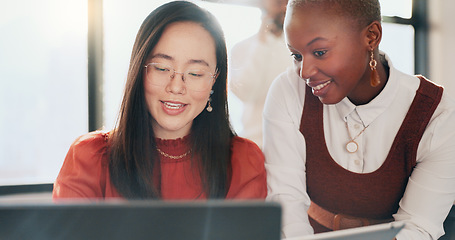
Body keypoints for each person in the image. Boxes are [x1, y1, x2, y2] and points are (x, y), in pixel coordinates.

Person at [263, 0, 455, 239]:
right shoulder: (288, 90)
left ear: (371, 37)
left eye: (320, 52)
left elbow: (417, 227)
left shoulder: (438, 114)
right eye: (297, 55)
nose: (305, 72)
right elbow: (286, 201)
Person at [53, 1, 266, 200]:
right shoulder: (89, 158)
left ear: (214, 81)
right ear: (139, 71)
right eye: (162, 69)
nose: (175, 87)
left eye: (195, 73)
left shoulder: (242, 161)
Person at [229, 0, 291, 148]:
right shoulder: (241, 48)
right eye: (277, 2)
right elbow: (245, 93)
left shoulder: (302, 51)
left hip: (293, 146)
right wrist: (262, 41)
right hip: (254, 143)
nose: (284, 6)